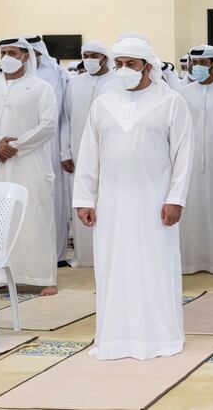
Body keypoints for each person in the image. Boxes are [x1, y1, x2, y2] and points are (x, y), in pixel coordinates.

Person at [73, 37, 192, 360]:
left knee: (154, 265)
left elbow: (183, 155)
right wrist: (84, 198)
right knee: (114, 266)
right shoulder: (104, 103)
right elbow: (89, 153)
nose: (123, 70)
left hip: (155, 202)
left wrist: (175, 198)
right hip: (111, 203)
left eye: (130, 64)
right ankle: (115, 337)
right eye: (119, 64)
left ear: (147, 67)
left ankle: (158, 337)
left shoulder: (170, 101)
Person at [0, 37, 58, 295]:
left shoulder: (41, 87)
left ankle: (42, 277)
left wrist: (15, 145)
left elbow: (48, 125)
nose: (6, 57)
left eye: (12, 52)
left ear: (26, 56)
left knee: (35, 216)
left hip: (30, 163)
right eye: (3, 52)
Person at [177, 45, 213, 275]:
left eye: (203, 63)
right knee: (191, 209)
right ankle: (190, 260)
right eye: (195, 63)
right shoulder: (183, 93)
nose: (198, 67)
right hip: (189, 161)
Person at [60, 41, 118, 267]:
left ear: (105, 58)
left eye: (94, 55)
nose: (89, 59)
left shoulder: (117, 82)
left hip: (109, 149)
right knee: (84, 197)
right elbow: (66, 119)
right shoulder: (74, 84)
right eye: (86, 55)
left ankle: (109, 253)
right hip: (77, 150)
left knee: (108, 198)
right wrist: (65, 151)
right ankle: (85, 255)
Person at [22, 35, 71, 266]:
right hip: (19, 149)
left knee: (53, 200)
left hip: (50, 146)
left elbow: (63, 117)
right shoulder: (14, 78)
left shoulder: (56, 75)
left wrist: (64, 151)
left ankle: (57, 254)